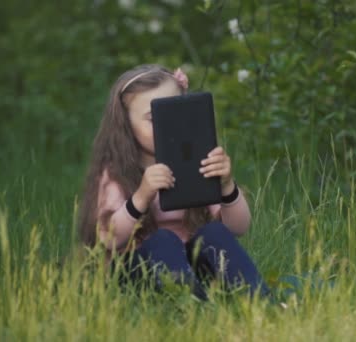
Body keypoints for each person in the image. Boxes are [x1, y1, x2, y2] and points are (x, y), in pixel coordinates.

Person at [77, 64, 270, 300]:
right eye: (152, 118)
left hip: (194, 268)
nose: (164, 126)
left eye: (172, 114)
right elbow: (108, 237)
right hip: (140, 272)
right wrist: (141, 197)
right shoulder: (118, 171)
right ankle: (191, 305)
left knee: (214, 232)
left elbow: (238, 228)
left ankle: (260, 301)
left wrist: (227, 186)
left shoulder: (197, 160)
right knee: (163, 241)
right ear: (126, 125)